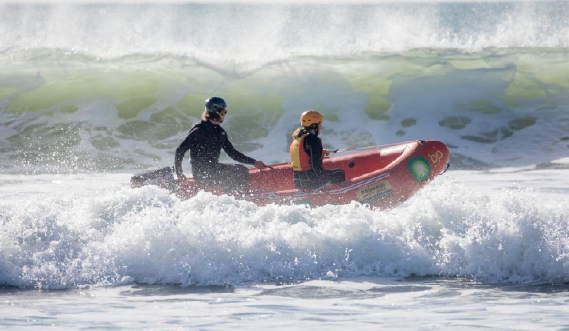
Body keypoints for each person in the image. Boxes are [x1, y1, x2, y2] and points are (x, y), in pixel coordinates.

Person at [174, 96, 267, 194]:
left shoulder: (220, 132)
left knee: (242, 170)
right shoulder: (199, 130)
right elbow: (180, 150)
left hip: (214, 169)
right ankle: (231, 199)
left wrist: (254, 162)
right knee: (233, 174)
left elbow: (232, 153)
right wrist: (179, 173)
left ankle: (236, 196)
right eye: (224, 111)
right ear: (216, 111)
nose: (225, 114)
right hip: (202, 174)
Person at [289, 110, 345, 191]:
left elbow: (304, 154)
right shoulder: (314, 140)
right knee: (340, 173)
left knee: (326, 174)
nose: (321, 127)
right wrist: (325, 181)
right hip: (310, 181)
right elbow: (315, 166)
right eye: (320, 124)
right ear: (314, 125)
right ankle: (341, 195)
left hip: (298, 181)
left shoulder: (298, 138)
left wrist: (322, 151)